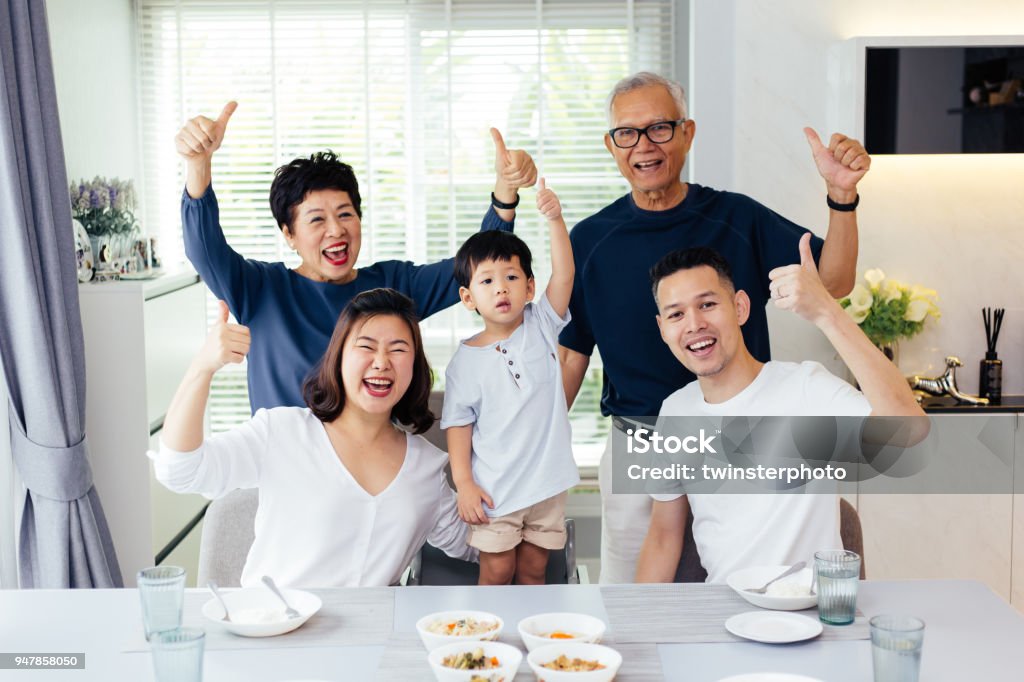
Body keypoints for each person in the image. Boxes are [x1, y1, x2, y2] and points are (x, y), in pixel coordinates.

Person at [556, 71, 871, 584]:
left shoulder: (736, 216)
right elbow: (572, 356)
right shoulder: (590, 239)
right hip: (641, 443)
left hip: (740, 435)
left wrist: (842, 199)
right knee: (637, 598)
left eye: (659, 128)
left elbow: (832, 282)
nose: (643, 145)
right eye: (627, 133)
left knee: (743, 587)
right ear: (611, 145)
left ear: (688, 133)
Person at [175, 101, 537, 411]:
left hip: (375, 470)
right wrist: (198, 165)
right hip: (289, 473)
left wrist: (505, 191)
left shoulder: (391, 287)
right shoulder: (261, 289)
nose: (336, 230)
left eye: (345, 214)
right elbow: (203, 248)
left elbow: (478, 269)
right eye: (317, 219)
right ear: (289, 235)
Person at [634, 239, 925, 583]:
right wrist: (636, 623)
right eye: (676, 314)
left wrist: (827, 313)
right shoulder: (676, 412)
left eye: (708, 304)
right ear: (662, 329)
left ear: (740, 307)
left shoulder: (805, 388)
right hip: (724, 617)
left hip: (813, 616)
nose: (694, 324)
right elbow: (663, 538)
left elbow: (909, 433)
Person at [152, 288, 475, 588]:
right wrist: (202, 368)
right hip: (275, 633)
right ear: (339, 357)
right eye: (365, 346)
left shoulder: (427, 466)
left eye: (398, 349)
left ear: (415, 366)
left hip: (371, 638)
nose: (381, 362)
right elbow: (181, 471)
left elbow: (476, 545)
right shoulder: (281, 432)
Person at [441, 179, 579, 585]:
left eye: (511, 277)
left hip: (547, 485)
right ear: (469, 298)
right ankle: (488, 646)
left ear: (530, 287)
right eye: (487, 281)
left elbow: (566, 274)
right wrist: (464, 484)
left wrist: (554, 220)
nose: (501, 287)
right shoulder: (464, 362)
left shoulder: (540, 324)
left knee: (535, 571)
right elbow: (458, 426)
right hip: (496, 490)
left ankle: (529, 644)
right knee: (497, 570)